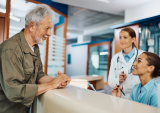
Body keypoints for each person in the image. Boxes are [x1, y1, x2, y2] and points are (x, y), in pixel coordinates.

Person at [0, 4, 71, 113]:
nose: (50, 33)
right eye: (47, 28)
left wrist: (57, 80)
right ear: (32, 26)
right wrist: (51, 84)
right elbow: (14, 92)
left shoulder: (34, 47)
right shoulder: (11, 49)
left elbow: (39, 75)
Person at [108, 27, 144, 99]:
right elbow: (110, 81)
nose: (122, 40)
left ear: (133, 39)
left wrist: (125, 86)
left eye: (125, 37)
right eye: (120, 37)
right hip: (120, 97)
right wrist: (118, 79)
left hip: (138, 97)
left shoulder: (142, 55)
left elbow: (146, 79)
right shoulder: (115, 57)